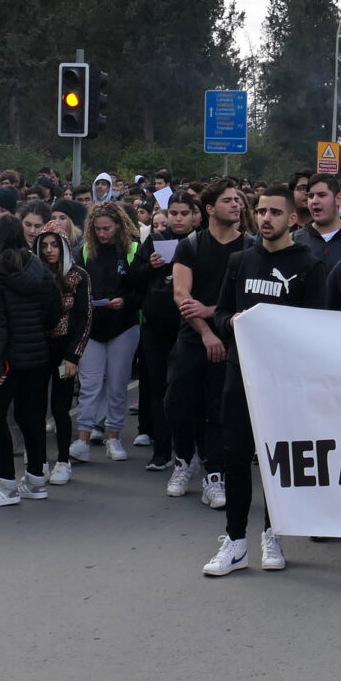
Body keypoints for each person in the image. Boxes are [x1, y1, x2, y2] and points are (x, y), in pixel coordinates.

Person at [201, 185, 326, 577]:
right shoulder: (241, 261)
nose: (266, 218)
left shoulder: (309, 265)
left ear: (292, 218)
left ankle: (273, 532)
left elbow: (317, 327)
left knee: (277, 459)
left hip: (285, 381)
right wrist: (231, 322)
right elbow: (220, 314)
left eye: (274, 211)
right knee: (236, 454)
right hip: (241, 376)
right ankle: (235, 542)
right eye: (260, 211)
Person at [167, 177, 249, 508]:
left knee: (219, 410)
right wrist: (205, 330)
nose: (237, 205)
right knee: (178, 403)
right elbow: (181, 295)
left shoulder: (249, 248)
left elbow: (247, 299)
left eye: (238, 200)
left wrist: (214, 315)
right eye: (229, 200)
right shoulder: (191, 245)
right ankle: (183, 461)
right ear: (210, 209)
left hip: (231, 338)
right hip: (192, 336)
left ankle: (214, 476)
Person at [0, 216, 63, 507]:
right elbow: (54, 309)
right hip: (37, 354)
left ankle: (6, 483)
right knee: (32, 417)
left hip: (7, 359)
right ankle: (36, 479)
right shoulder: (39, 268)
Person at [71, 201, 147, 463]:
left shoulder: (132, 250)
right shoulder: (82, 252)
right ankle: (82, 439)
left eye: (107, 228)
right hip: (91, 327)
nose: (102, 234)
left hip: (123, 326)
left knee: (117, 385)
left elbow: (142, 289)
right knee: (89, 386)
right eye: (98, 229)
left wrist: (124, 302)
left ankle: (113, 437)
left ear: (119, 225)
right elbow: (73, 286)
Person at [137, 195, 193, 470]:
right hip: (155, 323)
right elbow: (133, 273)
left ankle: (189, 451)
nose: (179, 218)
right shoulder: (155, 239)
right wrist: (151, 265)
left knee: (188, 390)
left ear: (195, 215)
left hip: (189, 325)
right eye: (174, 213)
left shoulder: (199, 241)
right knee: (158, 387)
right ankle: (161, 451)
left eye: (184, 213)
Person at [34, 229, 89, 483]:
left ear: (64, 247)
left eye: (54, 245)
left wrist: (74, 356)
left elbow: (85, 319)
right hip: (37, 350)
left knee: (60, 407)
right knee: (34, 408)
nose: (49, 250)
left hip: (64, 353)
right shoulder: (33, 273)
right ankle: (39, 461)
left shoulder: (78, 276)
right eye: (44, 245)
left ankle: (63, 461)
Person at [294, 176, 341, 282]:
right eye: (310, 196)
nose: (314, 201)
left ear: (338, 198)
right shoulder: (295, 240)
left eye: (322, 195)